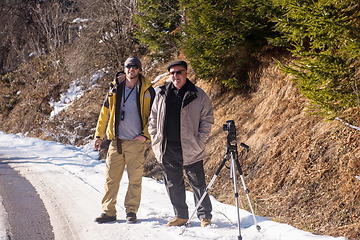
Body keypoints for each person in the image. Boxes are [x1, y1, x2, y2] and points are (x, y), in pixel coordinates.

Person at [148, 60, 214, 227]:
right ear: (169, 76)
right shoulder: (161, 93)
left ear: (186, 73)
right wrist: (156, 141)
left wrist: (199, 142)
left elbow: (207, 119)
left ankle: (204, 216)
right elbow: (153, 119)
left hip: (191, 148)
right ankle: (181, 216)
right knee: (172, 184)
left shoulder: (198, 94)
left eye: (179, 72)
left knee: (198, 183)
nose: (176, 75)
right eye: (172, 73)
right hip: (167, 147)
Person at [94, 56, 155, 224]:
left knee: (135, 180)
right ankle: (108, 211)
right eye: (129, 66)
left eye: (135, 66)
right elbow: (104, 111)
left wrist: (146, 135)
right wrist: (99, 135)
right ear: (124, 68)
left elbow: (155, 116)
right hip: (116, 142)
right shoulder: (115, 88)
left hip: (136, 142)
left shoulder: (148, 90)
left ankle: (131, 211)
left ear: (140, 70)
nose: (131, 69)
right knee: (110, 179)